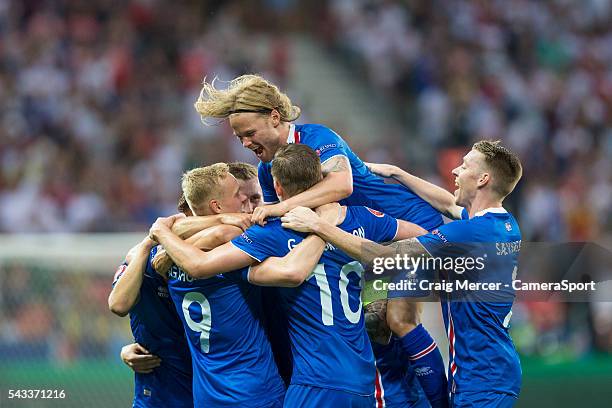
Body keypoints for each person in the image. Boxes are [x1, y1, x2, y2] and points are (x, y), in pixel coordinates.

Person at [193, 74, 447, 407]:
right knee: (374, 333)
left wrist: (277, 209)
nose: (245, 144)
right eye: (239, 137)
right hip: (360, 236)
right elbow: (280, 226)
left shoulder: (317, 137)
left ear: (274, 116)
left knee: (396, 322)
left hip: (412, 229)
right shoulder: (269, 170)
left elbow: (342, 186)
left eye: (250, 133)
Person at [149, 144, 428, 407]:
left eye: (256, 198)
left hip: (311, 381)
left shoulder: (271, 233)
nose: (250, 206)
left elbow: (202, 263)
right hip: (363, 378)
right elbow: (424, 241)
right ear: (320, 180)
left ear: (277, 188)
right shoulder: (361, 218)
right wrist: (383, 291)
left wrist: (164, 235)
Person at [281, 140, 524, 408]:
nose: (455, 171)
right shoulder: (502, 224)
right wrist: (397, 173)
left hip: (484, 377)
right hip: (488, 369)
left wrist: (319, 225)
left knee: (401, 318)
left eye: (465, 166)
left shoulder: (470, 234)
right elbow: (448, 205)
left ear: (483, 179)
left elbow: (385, 257)